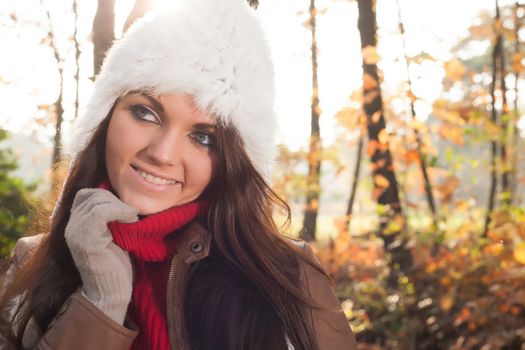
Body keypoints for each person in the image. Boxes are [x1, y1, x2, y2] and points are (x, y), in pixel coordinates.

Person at [0, 0, 357, 349]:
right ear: (105, 118)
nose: (162, 153)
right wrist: (100, 303)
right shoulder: (31, 265)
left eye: (203, 137)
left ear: (233, 162)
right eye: (144, 112)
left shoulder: (289, 274)